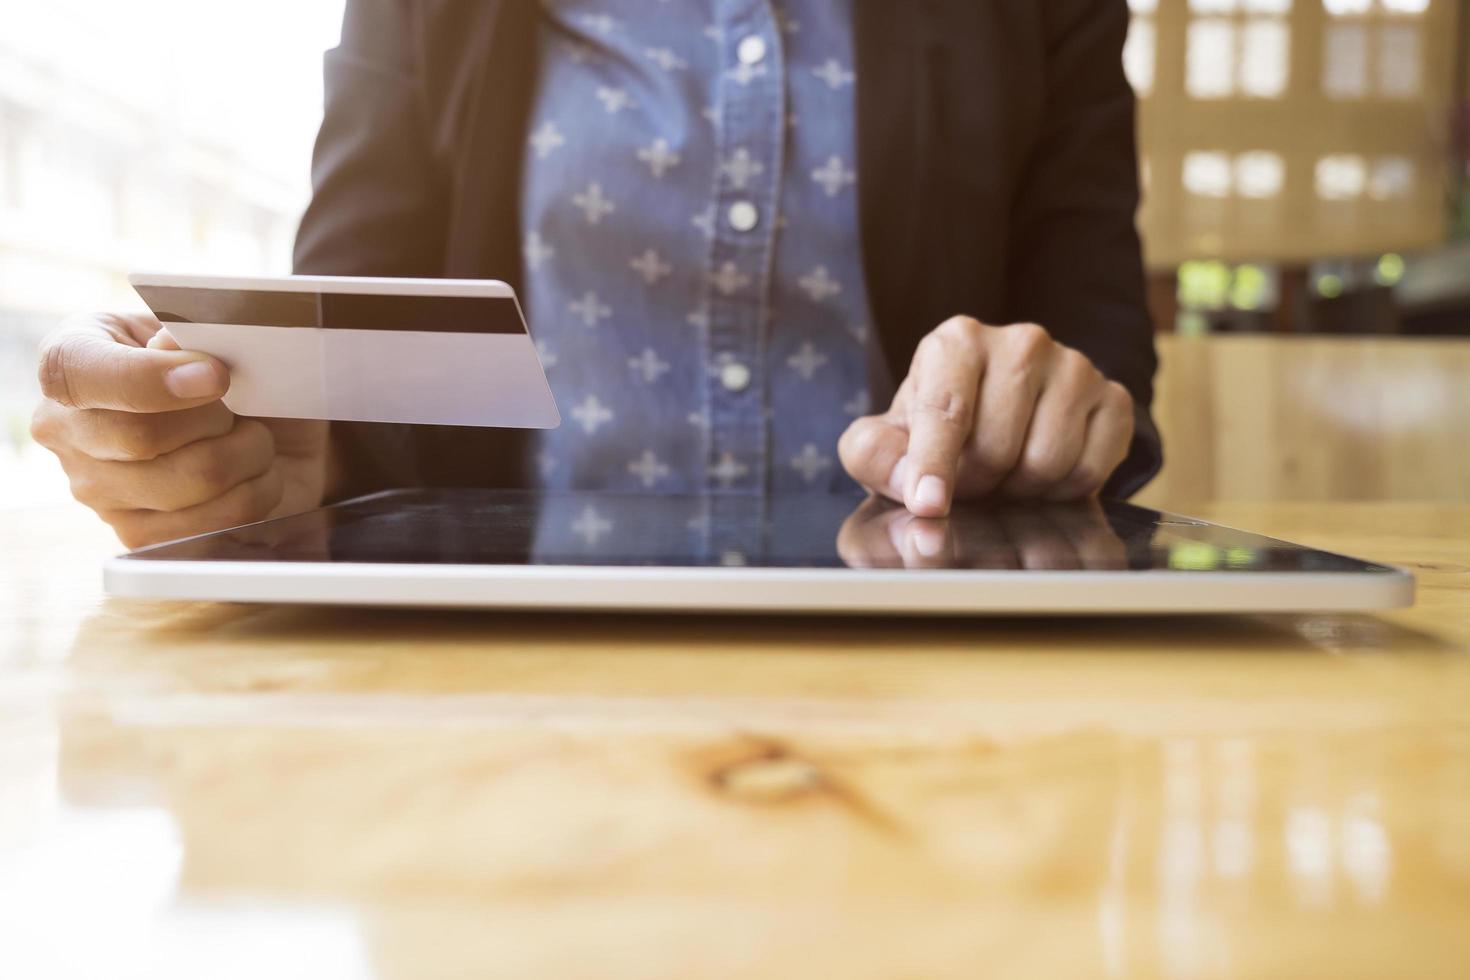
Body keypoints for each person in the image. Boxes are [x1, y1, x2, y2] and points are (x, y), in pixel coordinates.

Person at [32, 0, 1161, 550]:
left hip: (930, 668)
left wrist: (1050, 408)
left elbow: (1101, 364)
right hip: (493, 676)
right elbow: (351, 382)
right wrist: (254, 461)